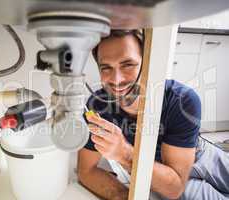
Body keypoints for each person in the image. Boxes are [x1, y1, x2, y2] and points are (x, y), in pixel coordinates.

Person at [77, 29, 229, 200]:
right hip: (157, 170)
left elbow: (175, 185)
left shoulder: (182, 99)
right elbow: (86, 171)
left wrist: (124, 154)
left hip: (196, 153)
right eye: (106, 68)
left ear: (147, 61)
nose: (116, 79)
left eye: (128, 64)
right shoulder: (97, 106)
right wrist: (125, 196)